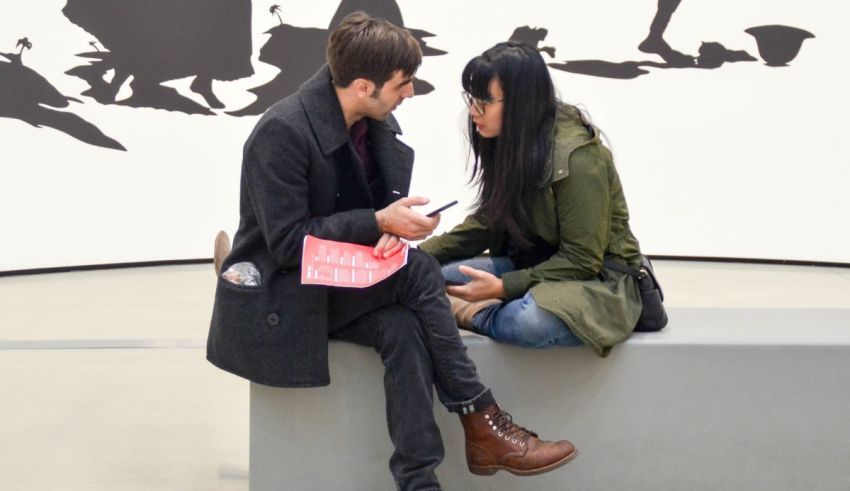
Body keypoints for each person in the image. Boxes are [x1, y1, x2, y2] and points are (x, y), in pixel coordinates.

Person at [206, 14, 576, 491]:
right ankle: (482, 418)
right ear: (364, 86)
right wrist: (378, 222)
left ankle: (419, 482)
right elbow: (287, 244)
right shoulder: (281, 132)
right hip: (287, 290)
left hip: (334, 284)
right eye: (403, 84)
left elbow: (360, 219)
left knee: (403, 327)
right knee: (419, 272)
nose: (410, 93)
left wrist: (393, 228)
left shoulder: (367, 121)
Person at [419, 42, 644, 355]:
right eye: (472, 98)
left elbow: (582, 260)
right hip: (532, 267)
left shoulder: (578, 157)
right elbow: (490, 220)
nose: (473, 111)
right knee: (430, 277)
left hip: (597, 281)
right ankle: (485, 305)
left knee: (528, 321)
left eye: (485, 100)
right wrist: (418, 256)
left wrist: (503, 287)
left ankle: (477, 313)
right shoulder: (510, 139)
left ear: (521, 103)